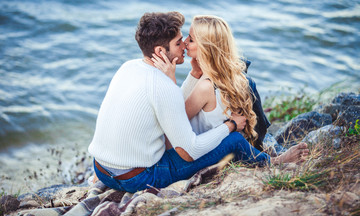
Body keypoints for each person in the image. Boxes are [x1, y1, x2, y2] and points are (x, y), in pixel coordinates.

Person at [88, 11, 253, 193]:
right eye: (178, 42)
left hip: (102, 170)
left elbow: (170, 106)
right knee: (235, 140)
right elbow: (190, 152)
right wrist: (230, 126)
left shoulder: (128, 67)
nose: (184, 45)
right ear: (160, 51)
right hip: (136, 179)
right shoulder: (164, 87)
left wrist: (193, 75)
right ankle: (273, 162)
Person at [152, 15, 309, 167]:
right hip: (222, 143)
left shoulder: (205, 87)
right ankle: (263, 147)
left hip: (204, 150)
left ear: (206, 47)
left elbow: (174, 120)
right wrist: (194, 74)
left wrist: (170, 81)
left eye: (191, 39)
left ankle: (274, 161)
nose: (185, 42)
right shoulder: (231, 79)